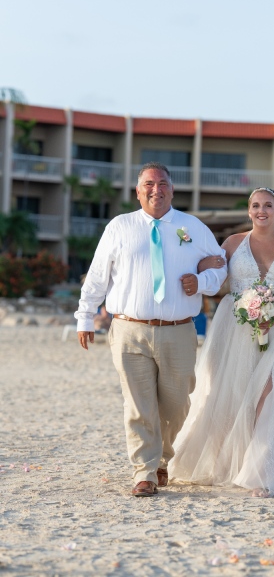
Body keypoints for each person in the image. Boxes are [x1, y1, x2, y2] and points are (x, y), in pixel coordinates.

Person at [74, 162, 227, 497]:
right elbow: (98, 274)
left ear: (172, 189)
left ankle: (163, 459)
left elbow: (220, 265)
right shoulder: (119, 227)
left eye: (162, 184)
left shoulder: (193, 227)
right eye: (148, 184)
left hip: (179, 331)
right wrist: (85, 316)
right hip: (129, 329)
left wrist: (200, 281)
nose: (155, 190)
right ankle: (144, 471)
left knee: (176, 403)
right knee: (138, 403)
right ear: (137, 190)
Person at [169, 187, 274, 497]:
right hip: (234, 328)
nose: (262, 210)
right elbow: (214, 279)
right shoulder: (232, 243)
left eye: (268, 205)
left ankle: (261, 474)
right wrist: (193, 262)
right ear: (249, 211)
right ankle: (227, 465)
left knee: (269, 396)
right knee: (229, 394)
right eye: (256, 205)